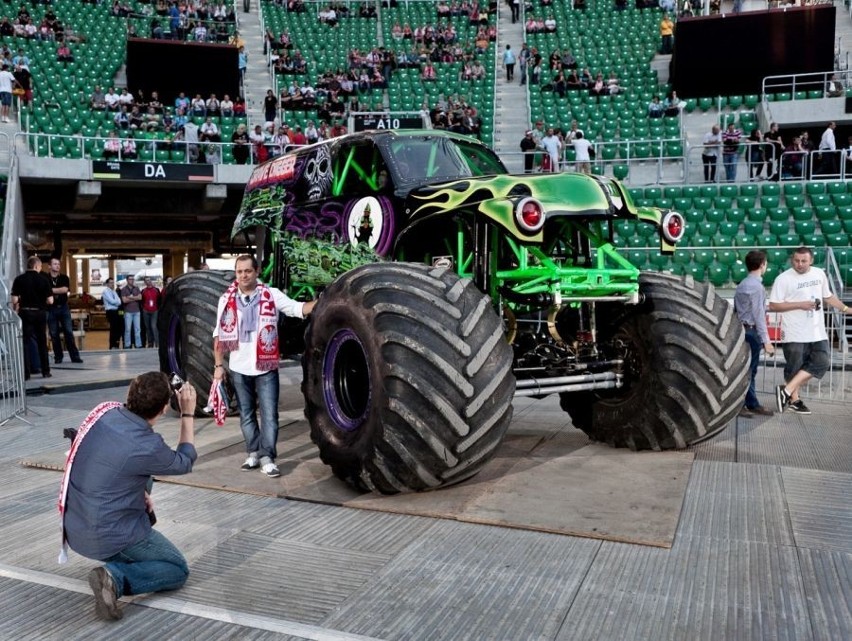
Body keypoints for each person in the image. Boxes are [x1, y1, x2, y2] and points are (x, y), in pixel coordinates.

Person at [61, 372, 197, 621]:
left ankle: (117, 568)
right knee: (177, 569)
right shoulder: (147, 445)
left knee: (139, 471)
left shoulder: (104, 414)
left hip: (75, 526)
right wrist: (188, 413)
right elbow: (184, 461)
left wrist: (143, 491)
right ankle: (114, 578)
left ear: (130, 394)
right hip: (109, 536)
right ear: (165, 408)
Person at [212, 255, 316, 478]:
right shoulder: (226, 299)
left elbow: (297, 309)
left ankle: (268, 456)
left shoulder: (271, 294)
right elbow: (219, 335)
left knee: (269, 415)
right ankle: (253, 452)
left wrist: (324, 300)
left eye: (247, 271)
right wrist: (218, 365)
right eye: (239, 272)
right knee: (246, 415)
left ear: (257, 271)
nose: (243, 276)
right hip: (239, 367)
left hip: (265, 367)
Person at [769, 247, 851, 415]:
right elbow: (774, 305)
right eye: (796, 261)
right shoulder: (783, 279)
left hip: (817, 331)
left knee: (822, 362)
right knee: (794, 367)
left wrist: (846, 309)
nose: (799, 264)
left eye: (803, 261)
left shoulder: (819, 274)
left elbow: (827, 296)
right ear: (792, 260)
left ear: (811, 261)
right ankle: (794, 400)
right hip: (794, 332)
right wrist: (800, 304)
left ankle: (786, 390)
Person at [733, 250, 775, 417]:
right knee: (750, 370)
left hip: (741, 329)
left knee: (745, 369)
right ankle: (746, 404)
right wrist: (767, 340)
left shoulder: (743, 284)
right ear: (762, 264)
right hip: (751, 331)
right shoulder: (757, 287)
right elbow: (758, 315)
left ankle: (748, 403)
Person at [10, 256, 53, 379]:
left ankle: (26, 373)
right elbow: (50, 301)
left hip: (25, 313)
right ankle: (46, 371)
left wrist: (18, 304)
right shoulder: (44, 280)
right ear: (36, 266)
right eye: (39, 267)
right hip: (40, 313)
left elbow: (14, 299)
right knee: (42, 342)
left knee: (25, 343)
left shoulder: (19, 279)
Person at [45, 257, 84, 364]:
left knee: (68, 332)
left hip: (63, 308)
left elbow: (65, 289)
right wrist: (57, 290)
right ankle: (58, 357)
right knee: (54, 334)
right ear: (49, 266)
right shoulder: (45, 278)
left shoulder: (64, 278)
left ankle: (75, 357)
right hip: (51, 309)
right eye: (55, 264)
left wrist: (50, 290)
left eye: (58, 264)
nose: (57, 266)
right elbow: (45, 291)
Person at [120, 275, 143, 348]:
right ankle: (127, 345)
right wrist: (135, 298)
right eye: (130, 279)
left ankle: (138, 345)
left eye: (133, 279)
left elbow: (140, 298)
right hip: (128, 312)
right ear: (127, 280)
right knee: (127, 329)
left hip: (137, 312)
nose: (132, 280)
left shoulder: (136, 288)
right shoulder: (124, 289)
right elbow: (124, 300)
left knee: (137, 329)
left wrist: (130, 297)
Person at [101, 277, 123, 350]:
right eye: (110, 283)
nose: (112, 284)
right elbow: (112, 301)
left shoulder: (114, 291)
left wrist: (116, 303)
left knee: (118, 328)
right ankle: (112, 345)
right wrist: (116, 303)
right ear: (107, 284)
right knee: (113, 328)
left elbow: (119, 301)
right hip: (110, 312)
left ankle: (116, 345)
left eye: (113, 283)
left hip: (117, 311)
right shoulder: (105, 291)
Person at [141, 277, 160, 348]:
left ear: (151, 281)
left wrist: (158, 308)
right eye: (146, 281)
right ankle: (150, 344)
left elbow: (159, 299)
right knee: (148, 328)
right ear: (145, 282)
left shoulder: (156, 290)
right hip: (146, 311)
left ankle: (157, 344)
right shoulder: (143, 291)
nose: (148, 282)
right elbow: (141, 300)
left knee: (153, 326)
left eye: (149, 280)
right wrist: (143, 308)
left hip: (155, 311)